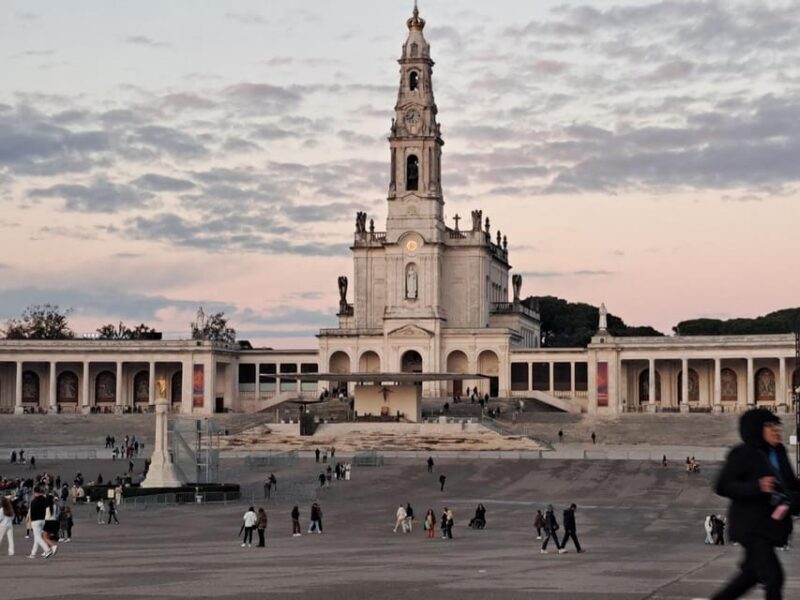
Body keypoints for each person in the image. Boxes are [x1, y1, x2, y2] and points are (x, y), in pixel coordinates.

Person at [711, 408, 800, 600]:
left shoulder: (779, 452)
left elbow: (790, 485)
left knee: (750, 576)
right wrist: (756, 487)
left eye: (777, 425)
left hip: (770, 527)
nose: (776, 430)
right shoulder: (743, 453)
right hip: (750, 527)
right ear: (756, 429)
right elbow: (722, 485)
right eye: (769, 426)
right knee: (773, 576)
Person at [28, 487, 51, 558]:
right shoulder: (44, 500)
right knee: (36, 537)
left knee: (37, 537)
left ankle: (47, 550)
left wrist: (30, 523)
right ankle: (33, 553)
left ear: (35, 492)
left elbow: (31, 513)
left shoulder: (33, 501)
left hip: (35, 521)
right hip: (43, 520)